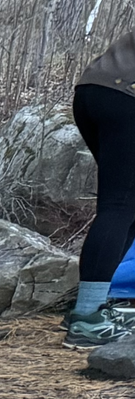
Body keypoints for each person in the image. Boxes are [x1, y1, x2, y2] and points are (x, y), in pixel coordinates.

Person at [69, 28, 135, 345]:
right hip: (126, 98)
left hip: (93, 92)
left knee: (129, 207)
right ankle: (86, 318)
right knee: (120, 205)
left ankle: (93, 304)